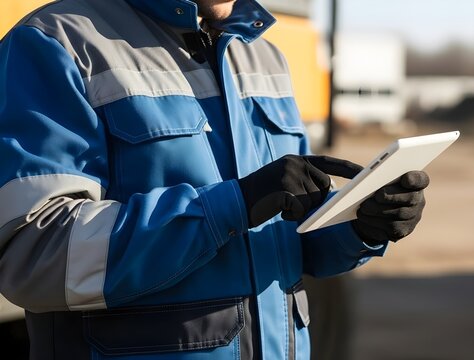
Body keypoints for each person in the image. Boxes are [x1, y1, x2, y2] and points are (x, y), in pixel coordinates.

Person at [0, 0, 428, 358]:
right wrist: (230, 204)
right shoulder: (56, 42)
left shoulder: (262, 54)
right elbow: (36, 256)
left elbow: (286, 240)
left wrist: (359, 228)